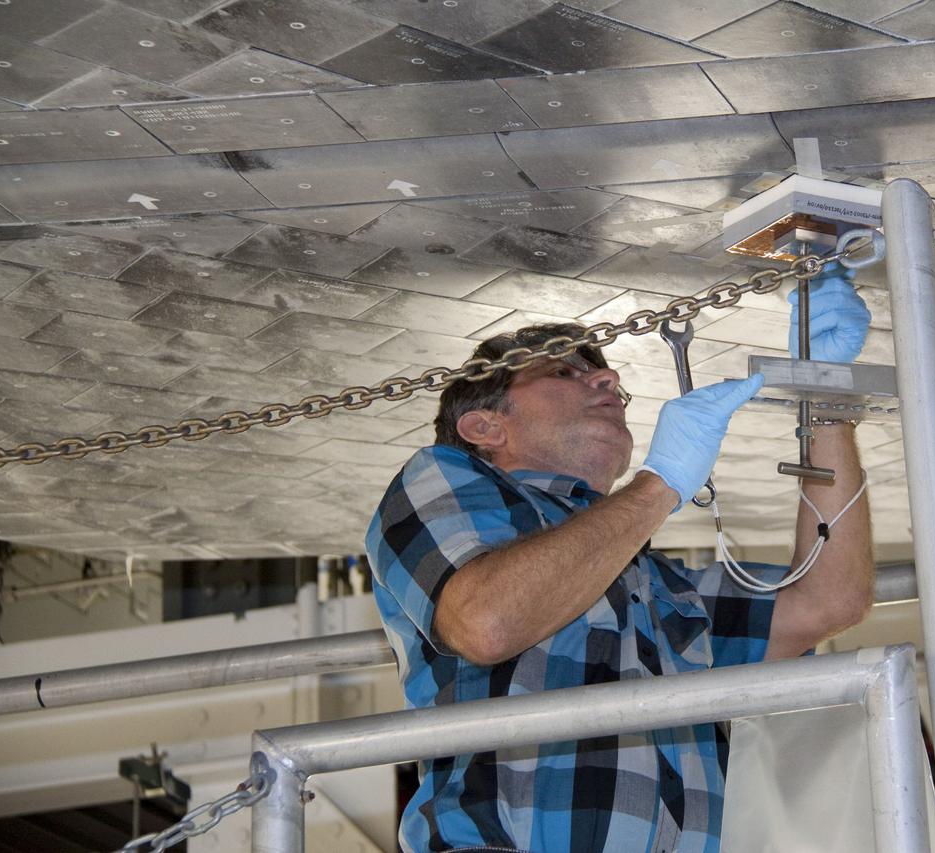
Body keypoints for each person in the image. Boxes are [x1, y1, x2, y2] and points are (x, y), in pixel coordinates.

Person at [365, 269, 875, 853]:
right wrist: (658, 486)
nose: (607, 378)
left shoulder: (647, 581)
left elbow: (825, 600)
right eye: (564, 371)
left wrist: (828, 402)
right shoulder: (440, 476)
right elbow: (485, 621)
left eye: (607, 377)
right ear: (485, 425)